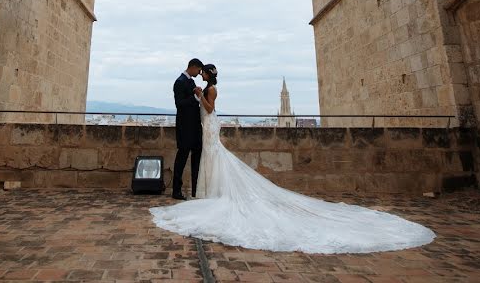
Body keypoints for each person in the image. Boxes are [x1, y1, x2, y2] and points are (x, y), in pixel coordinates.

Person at [151, 64, 436, 254]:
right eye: (199, 74)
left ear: (208, 75)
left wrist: (200, 95)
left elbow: (210, 109)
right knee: (211, 160)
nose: (200, 77)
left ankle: (208, 193)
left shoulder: (209, 89)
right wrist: (197, 96)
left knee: (213, 160)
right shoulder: (195, 84)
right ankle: (205, 192)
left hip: (208, 128)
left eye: (203, 74)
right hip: (204, 131)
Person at [171, 58, 203, 200]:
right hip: (185, 128)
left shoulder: (190, 81)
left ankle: (196, 189)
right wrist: (195, 98)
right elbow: (179, 104)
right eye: (199, 70)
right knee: (181, 159)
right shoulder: (179, 82)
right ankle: (176, 190)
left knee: (196, 159)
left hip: (195, 128)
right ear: (193, 67)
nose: (199, 73)